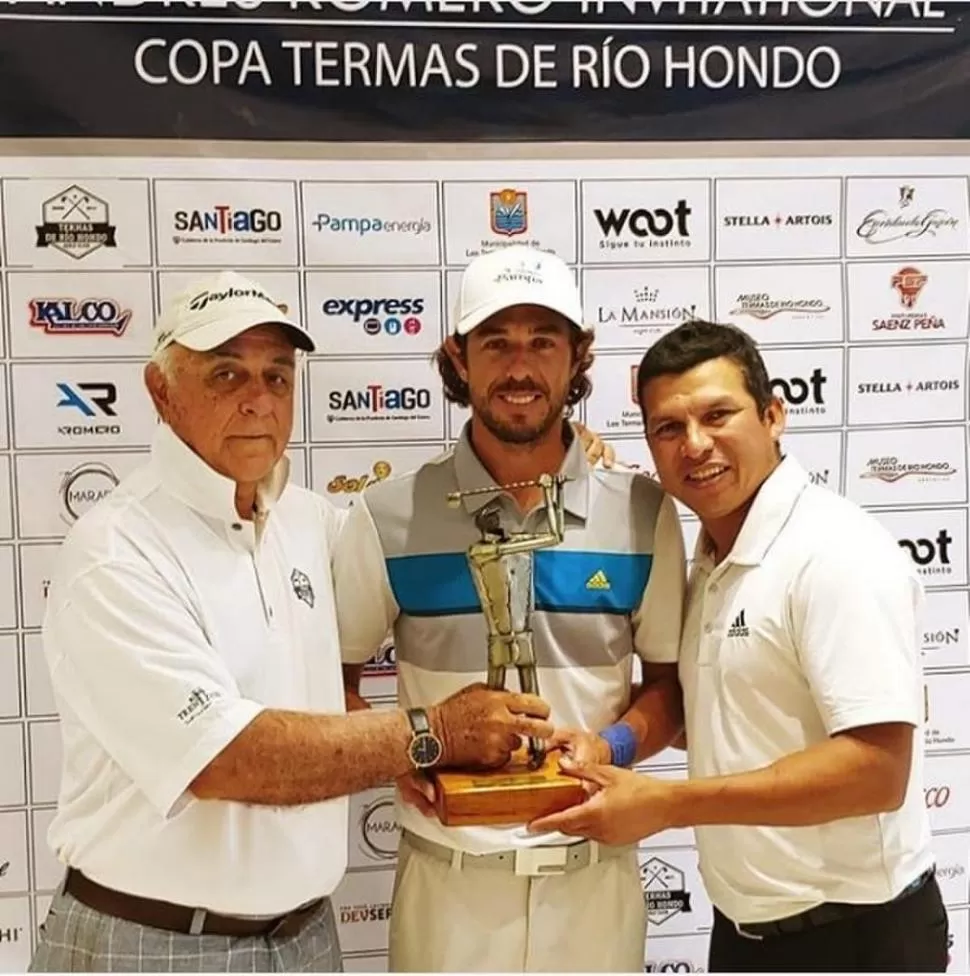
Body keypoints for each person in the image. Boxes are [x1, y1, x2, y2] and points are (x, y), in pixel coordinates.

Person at [29, 271, 560, 974]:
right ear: (162, 393)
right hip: (154, 944)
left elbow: (426, 528)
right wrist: (435, 735)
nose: (257, 399)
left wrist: (555, 465)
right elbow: (226, 760)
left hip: (307, 939)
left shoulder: (312, 522)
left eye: (277, 377)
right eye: (226, 374)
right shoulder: (117, 550)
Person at [531, 319, 949, 973]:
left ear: (773, 415)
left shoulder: (835, 553)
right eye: (668, 428)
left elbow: (878, 772)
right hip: (747, 932)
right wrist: (607, 746)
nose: (695, 445)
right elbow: (716, 717)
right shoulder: (710, 561)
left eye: (717, 415)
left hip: (856, 939)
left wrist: (666, 806)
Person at [332, 245, 688, 973]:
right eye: (496, 342)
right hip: (448, 886)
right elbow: (330, 678)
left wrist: (610, 748)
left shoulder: (644, 512)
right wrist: (401, 757)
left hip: (595, 885)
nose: (519, 366)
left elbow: (671, 689)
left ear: (578, 356)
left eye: (542, 342)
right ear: (458, 359)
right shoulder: (386, 515)